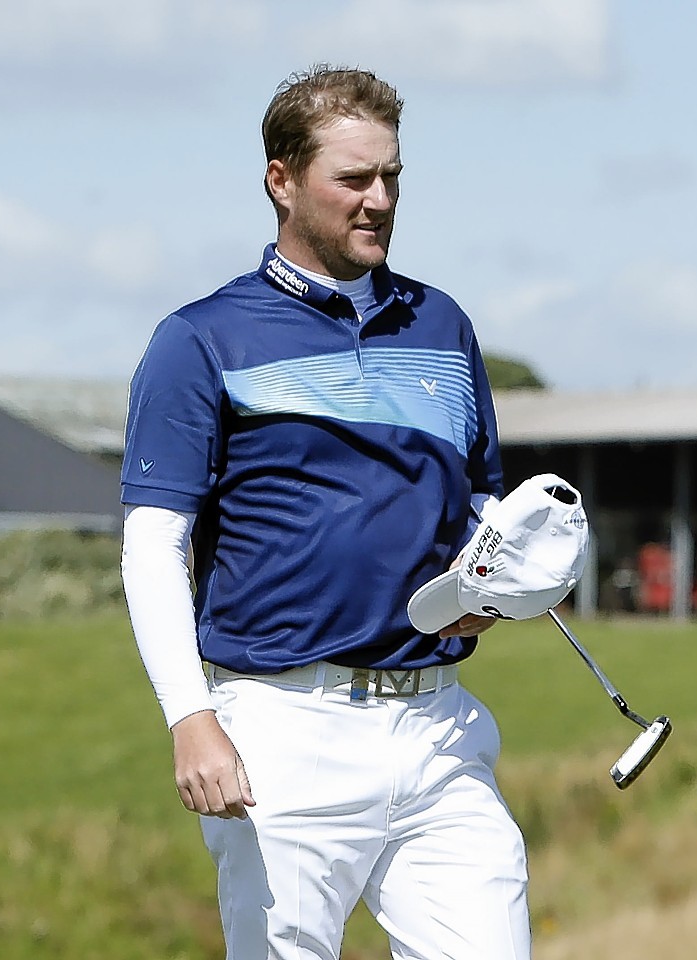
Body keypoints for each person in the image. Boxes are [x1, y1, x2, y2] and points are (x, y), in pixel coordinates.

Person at [119, 65, 531, 960]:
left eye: (392, 177)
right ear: (282, 180)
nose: (379, 199)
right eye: (354, 179)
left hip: (439, 728)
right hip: (281, 733)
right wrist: (190, 717)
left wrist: (518, 571)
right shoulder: (201, 338)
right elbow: (155, 541)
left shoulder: (443, 326)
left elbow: (485, 505)